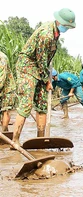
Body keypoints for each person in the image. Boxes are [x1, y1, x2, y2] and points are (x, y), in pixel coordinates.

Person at [11, 8, 76, 148]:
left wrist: (46, 78)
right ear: (59, 21)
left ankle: (40, 140)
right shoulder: (46, 34)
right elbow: (40, 60)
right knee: (26, 104)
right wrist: (48, 80)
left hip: (40, 70)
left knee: (42, 105)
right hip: (27, 67)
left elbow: (45, 61)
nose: (67, 29)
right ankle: (14, 140)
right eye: (66, 26)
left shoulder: (56, 33)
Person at [0, 51, 16, 132]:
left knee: (5, 111)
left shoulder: (2, 58)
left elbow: (2, 78)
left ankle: (4, 132)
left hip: (7, 89)